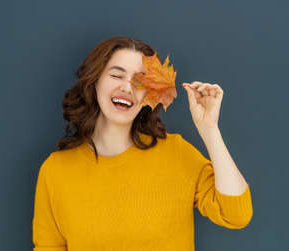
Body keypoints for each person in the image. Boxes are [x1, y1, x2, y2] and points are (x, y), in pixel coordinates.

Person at [32, 36, 253, 251]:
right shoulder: (55, 171)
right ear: (95, 81)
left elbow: (236, 214)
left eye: (140, 81)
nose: (127, 88)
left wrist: (209, 129)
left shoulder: (176, 153)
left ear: (151, 93)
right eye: (117, 75)